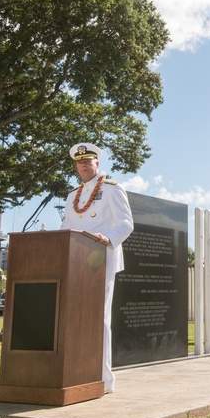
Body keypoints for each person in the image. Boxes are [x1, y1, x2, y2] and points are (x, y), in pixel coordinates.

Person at [59, 142, 134, 394]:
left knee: (99, 318)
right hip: (75, 262)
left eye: (88, 162)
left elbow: (125, 223)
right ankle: (78, 371)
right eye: (79, 163)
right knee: (75, 317)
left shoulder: (112, 189)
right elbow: (66, 226)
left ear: (97, 164)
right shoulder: (72, 196)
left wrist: (108, 239)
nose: (83, 166)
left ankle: (104, 379)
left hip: (101, 258)